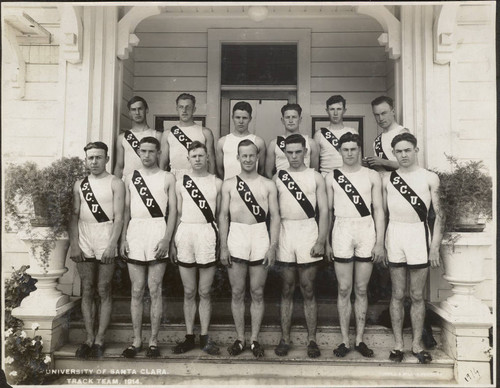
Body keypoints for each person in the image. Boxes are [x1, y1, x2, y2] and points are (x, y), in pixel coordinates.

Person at [382, 132, 443, 364]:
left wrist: (435, 246)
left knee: (417, 295)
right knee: (397, 294)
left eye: (407, 150)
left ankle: (416, 344)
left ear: (416, 150)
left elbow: (440, 215)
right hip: (395, 234)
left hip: (418, 234)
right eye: (399, 151)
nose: (404, 155)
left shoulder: (429, 178)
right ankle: (398, 344)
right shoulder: (387, 179)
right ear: (394, 154)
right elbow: (383, 214)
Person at [324, 133, 385, 358]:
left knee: (361, 288)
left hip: (365, 228)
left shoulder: (371, 175)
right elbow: (327, 212)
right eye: (345, 149)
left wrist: (380, 242)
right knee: (343, 288)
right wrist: (328, 240)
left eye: (353, 149)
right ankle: (344, 340)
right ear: (340, 152)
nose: (349, 153)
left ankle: (359, 339)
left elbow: (379, 209)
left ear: (359, 150)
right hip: (341, 229)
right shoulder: (331, 177)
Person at [219, 139, 280, 358]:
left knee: (257, 291)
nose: (247, 159)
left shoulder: (267, 184)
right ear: (237, 157)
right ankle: (239, 338)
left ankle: (254, 340)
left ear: (257, 157)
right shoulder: (228, 184)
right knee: (237, 291)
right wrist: (223, 246)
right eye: (243, 155)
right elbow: (223, 216)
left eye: (251, 155)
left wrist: (273, 246)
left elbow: (275, 217)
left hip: (259, 235)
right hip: (236, 234)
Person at [120, 136, 177, 359]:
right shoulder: (130, 178)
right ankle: (136, 340)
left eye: (151, 151)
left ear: (158, 153)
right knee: (136, 289)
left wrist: (166, 239)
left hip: (157, 229)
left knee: (155, 289)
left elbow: (173, 211)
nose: (146, 155)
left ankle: (153, 341)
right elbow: (125, 210)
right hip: (135, 231)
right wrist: (123, 238)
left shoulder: (167, 177)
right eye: (142, 151)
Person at [272, 134, 328, 358]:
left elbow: (324, 210)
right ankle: (284, 339)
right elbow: (274, 214)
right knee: (286, 288)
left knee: (308, 288)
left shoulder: (316, 177)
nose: (294, 156)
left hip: (308, 231)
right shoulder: (277, 177)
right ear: (284, 153)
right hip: (286, 231)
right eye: (289, 152)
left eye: (298, 152)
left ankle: (312, 339)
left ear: (306, 152)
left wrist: (321, 240)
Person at [69, 141, 125, 359]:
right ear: (86, 160)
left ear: (107, 159)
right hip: (84, 235)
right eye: (90, 157)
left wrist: (112, 244)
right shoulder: (79, 184)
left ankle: (100, 339)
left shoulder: (115, 182)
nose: (94, 161)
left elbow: (119, 216)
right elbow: (74, 215)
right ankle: (89, 338)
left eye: (98, 157)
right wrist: (74, 243)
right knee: (87, 288)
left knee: (104, 289)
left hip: (106, 234)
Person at [170, 141, 223, 355]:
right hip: (185, 233)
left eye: (201, 155)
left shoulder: (216, 182)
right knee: (189, 291)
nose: (198, 159)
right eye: (194, 156)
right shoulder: (180, 182)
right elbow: (177, 214)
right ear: (188, 158)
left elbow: (220, 215)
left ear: (207, 157)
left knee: (205, 291)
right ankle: (190, 336)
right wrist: (173, 241)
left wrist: (221, 242)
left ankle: (205, 337)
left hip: (207, 232)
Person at [159, 93, 216, 179]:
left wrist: (210, 181)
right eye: (181, 107)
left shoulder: (205, 132)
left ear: (194, 109)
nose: (184, 110)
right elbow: (162, 164)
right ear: (177, 109)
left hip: (199, 178)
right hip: (175, 178)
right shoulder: (168, 134)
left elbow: (211, 162)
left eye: (188, 107)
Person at [265, 103, 319, 178]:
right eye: (287, 117)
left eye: (294, 117)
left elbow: (314, 170)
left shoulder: (310, 143)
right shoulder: (274, 144)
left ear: (300, 120)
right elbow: (268, 172)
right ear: (282, 120)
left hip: (305, 185)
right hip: (282, 184)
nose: (290, 120)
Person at [114, 96, 162, 179]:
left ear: (146, 110)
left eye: (140, 109)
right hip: (128, 181)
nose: (137, 113)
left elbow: (161, 165)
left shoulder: (157, 135)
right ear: (129, 113)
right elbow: (119, 167)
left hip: (149, 181)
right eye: (133, 110)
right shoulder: (122, 138)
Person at [216, 101, 266, 180]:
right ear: (232, 117)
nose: (241, 121)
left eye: (244, 118)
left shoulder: (258, 142)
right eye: (238, 117)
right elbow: (219, 169)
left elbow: (261, 169)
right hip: (229, 188)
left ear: (250, 119)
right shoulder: (222, 141)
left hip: (252, 189)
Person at [313, 95, 358, 176]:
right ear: (327, 111)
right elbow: (314, 164)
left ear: (344, 110)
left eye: (339, 109)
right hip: (326, 176)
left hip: (348, 176)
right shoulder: (319, 134)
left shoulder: (352, 132)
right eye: (332, 109)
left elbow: (358, 160)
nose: (335, 113)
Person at [363, 96, 408, 172]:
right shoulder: (377, 140)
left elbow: (410, 165)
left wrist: (383, 162)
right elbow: (380, 170)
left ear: (393, 111)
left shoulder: (402, 133)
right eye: (377, 115)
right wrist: (371, 164)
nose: (380, 118)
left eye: (384, 113)